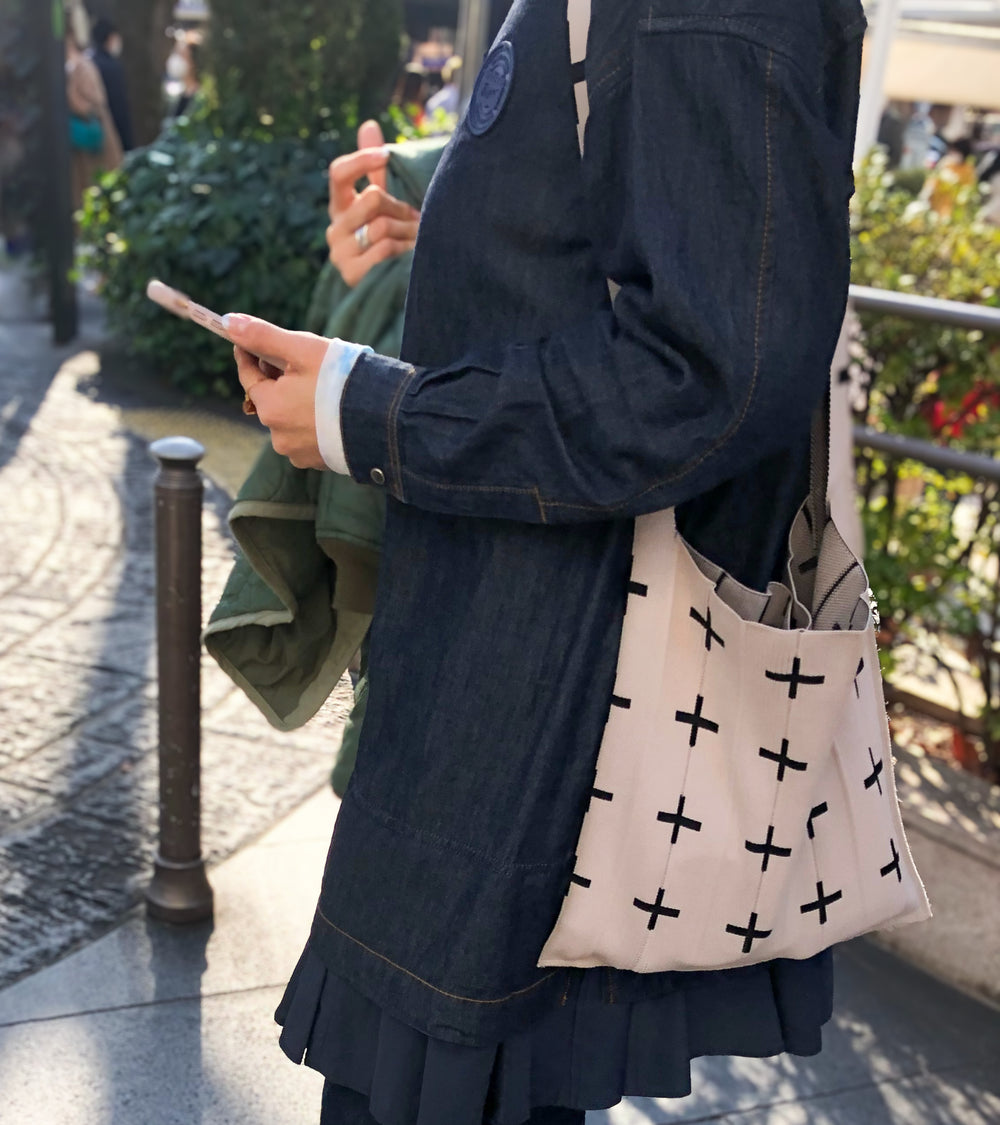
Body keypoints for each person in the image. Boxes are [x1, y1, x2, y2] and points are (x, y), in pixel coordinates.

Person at [226, 2, 868, 1122]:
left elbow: (714, 369)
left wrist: (375, 414)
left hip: (542, 712)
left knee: (443, 1087)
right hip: (509, 683)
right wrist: (481, 216)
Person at [65, 31, 122, 212]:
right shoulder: (74, 67)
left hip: (96, 154)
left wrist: (69, 98)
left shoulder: (83, 68)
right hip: (85, 156)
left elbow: (94, 107)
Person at [89, 17, 134, 151]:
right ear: (110, 38)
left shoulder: (89, 62)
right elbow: (120, 107)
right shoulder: (112, 67)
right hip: (112, 132)